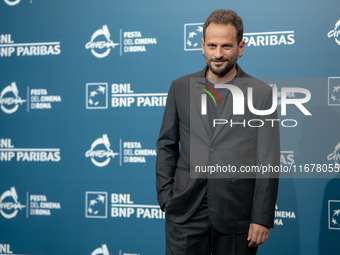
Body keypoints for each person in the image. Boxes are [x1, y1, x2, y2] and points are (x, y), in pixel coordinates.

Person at [156, 9, 280, 255]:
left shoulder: (261, 93)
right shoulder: (180, 88)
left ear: (241, 47)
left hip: (237, 217)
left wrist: (262, 217)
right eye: (211, 45)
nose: (218, 54)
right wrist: (165, 197)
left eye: (226, 46)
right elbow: (166, 145)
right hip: (185, 211)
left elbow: (268, 159)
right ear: (202, 45)